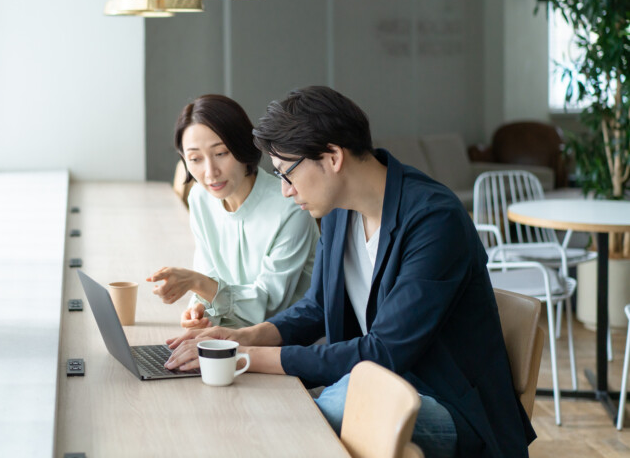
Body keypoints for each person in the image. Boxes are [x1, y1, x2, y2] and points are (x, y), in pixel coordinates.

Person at [164, 86, 535, 458]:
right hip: (379, 383)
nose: (285, 191)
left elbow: (384, 351)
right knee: (314, 403)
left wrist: (244, 356)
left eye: (287, 173)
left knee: (318, 407)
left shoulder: (434, 219)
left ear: (332, 157)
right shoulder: (338, 211)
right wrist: (243, 336)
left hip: (449, 405)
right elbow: (315, 308)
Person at [146, 94, 319, 329]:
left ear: (243, 146)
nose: (210, 172)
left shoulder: (289, 206)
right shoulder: (200, 197)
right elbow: (209, 274)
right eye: (195, 158)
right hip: (228, 336)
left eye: (221, 153)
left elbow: (270, 304)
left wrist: (198, 283)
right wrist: (201, 309)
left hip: (284, 345)